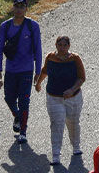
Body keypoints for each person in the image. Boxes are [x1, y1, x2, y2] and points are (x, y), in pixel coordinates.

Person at [0, 0, 42, 145]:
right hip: (11, 70)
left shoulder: (32, 25)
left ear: (26, 8)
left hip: (27, 70)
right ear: (13, 7)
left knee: (24, 101)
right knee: (8, 98)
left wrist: (38, 71)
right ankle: (18, 116)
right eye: (17, 6)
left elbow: (38, 49)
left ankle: (23, 131)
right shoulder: (5, 26)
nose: (19, 9)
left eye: (22, 6)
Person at [33, 36, 85, 165]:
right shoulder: (50, 57)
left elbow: (81, 78)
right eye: (60, 45)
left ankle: (76, 147)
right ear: (56, 45)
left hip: (73, 98)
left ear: (69, 46)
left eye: (65, 45)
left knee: (73, 123)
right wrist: (38, 83)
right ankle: (56, 155)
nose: (62, 48)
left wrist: (72, 90)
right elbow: (45, 71)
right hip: (54, 97)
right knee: (57, 124)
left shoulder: (75, 58)